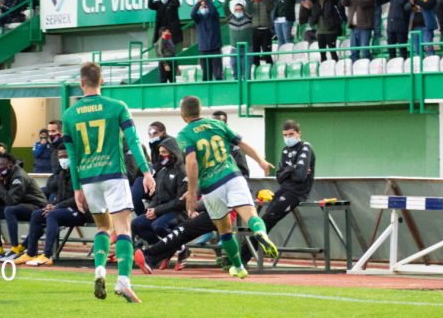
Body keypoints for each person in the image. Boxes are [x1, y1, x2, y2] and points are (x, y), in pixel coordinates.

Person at [62, 62, 154, 303]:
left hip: (89, 180)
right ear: (102, 81)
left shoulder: (69, 115)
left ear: (81, 84)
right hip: (114, 175)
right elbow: (133, 142)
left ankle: (100, 270)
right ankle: (123, 282)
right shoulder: (117, 106)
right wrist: (146, 172)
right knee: (123, 228)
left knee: (103, 228)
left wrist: (76, 188)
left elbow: (72, 157)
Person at [177, 95, 276, 279]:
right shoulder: (218, 125)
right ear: (200, 110)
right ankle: (260, 233)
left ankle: (238, 267)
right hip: (232, 175)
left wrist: (191, 192)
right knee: (251, 216)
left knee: (224, 229)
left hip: (211, 186)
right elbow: (243, 143)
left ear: (183, 114)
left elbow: (191, 162)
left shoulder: (184, 134)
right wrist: (261, 161)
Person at [240, 120, 315, 266]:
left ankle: (242, 257)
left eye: (291, 134)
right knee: (264, 220)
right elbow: (279, 177)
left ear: (299, 133)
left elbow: (300, 177)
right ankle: (243, 255)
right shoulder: (285, 150)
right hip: (284, 189)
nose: (288, 137)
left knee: (268, 219)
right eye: (285, 135)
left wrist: (289, 171)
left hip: (297, 193)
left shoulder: (306, 147)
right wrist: (293, 168)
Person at [19, 149, 89, 266]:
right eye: (60, 157)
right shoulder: (62, 174)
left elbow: (78, 199)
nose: (63, 159)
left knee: (52, 215)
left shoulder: (79, 172)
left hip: (80, 212)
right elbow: (60, 195)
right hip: (64, 208)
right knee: (37, 214)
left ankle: (47, 255)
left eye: (65, 156)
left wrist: (56, 207)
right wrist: (52, 205)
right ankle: (30, 253)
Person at [130, 137, 187, 245]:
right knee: (136, 224)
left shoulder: (182, 171)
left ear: (173, 153)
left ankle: (179, 247)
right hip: (161, 210)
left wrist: (158, 210)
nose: (161, 156)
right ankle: (158, 248)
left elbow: (180, 201)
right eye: (160, 153)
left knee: (158, 225)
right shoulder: (162, 170)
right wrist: (151, 208)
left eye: (164, 152)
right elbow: (157, 194)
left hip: (178, 211)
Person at [191, 0, 223, 81]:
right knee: (206, 74)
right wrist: (199, 2)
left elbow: (214, 10)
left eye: (205, 6)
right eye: (202, 6)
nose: (203, 7)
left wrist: (206, 0)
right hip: (204, 49)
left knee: (218, 74)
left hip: (215, 49)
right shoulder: (198, 18)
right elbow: (192, 14)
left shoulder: (214, 16)